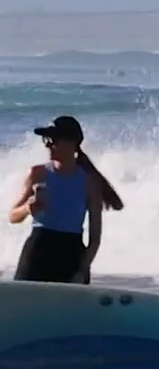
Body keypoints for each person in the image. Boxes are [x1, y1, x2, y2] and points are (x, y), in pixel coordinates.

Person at [8, 116, 125, 284]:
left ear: (72, 143)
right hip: (38, 250)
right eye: (46, 140)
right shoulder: (37, 173)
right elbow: (12, 216)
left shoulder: (90, 182)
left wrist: (82, 270)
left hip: (71, 255)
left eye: (53, 140)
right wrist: (27, 208)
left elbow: (95, 239)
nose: (48, 145)